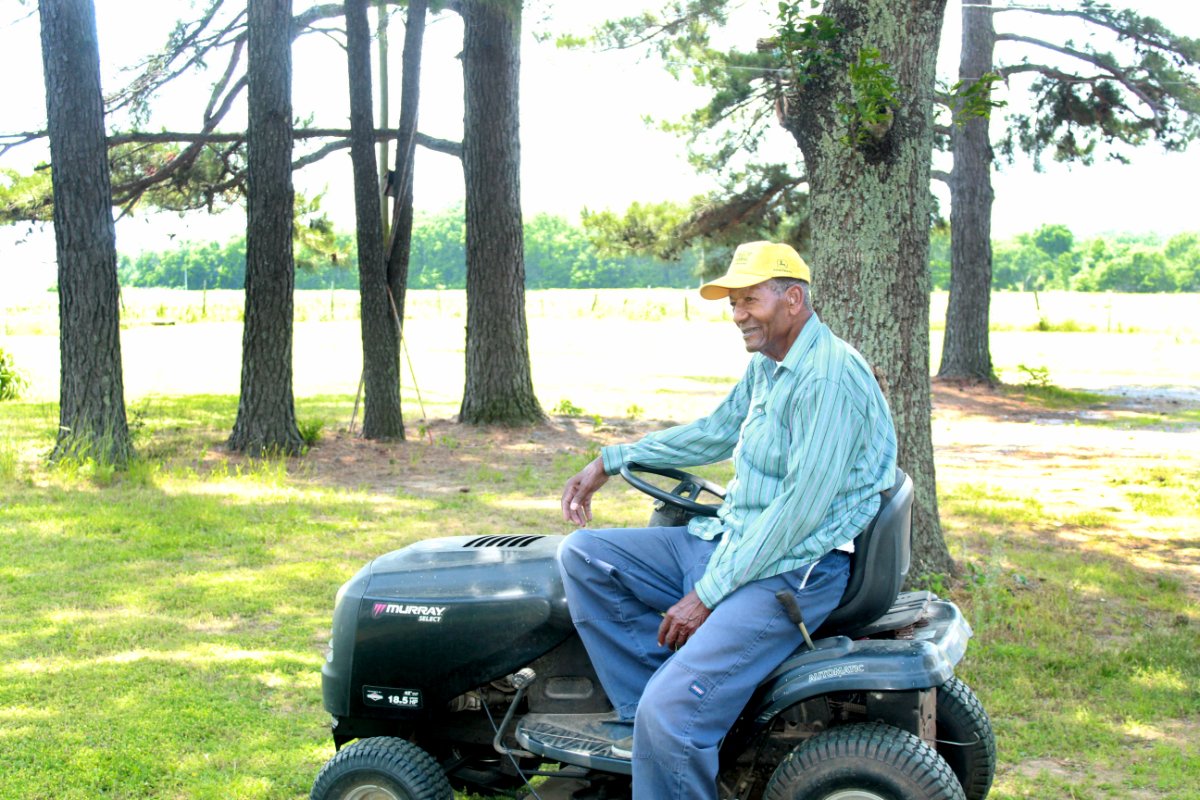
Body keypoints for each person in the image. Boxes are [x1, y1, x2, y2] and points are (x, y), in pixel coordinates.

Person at [555, 241, 898, 800]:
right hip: (735, 540)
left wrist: (707, 594)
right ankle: (658, 722)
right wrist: (613, 458)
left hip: (790, 569)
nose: (737, 314)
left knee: (671, 716)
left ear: (792, 298)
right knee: (585, 554)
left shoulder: (827, 377)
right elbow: (715, 430)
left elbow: (798, 513)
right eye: (733, 302)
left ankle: (668, 722)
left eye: (748, 300)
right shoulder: (771, 364)